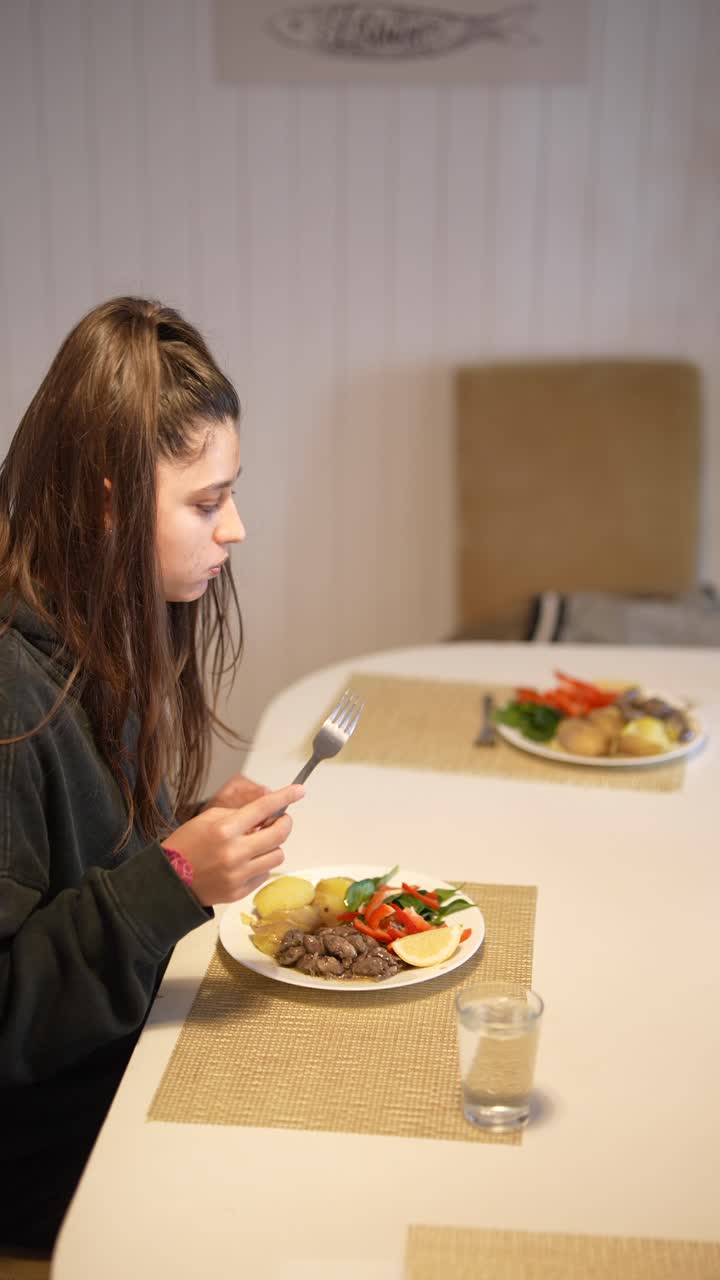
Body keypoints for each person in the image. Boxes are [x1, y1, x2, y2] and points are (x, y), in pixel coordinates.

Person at [0, 297, 304, 1251]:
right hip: (49, 1161)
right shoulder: (9, 701)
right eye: (207, 503)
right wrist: (168, 881)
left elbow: (76, 865)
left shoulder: (91, 635)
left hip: (111, 1078)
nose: (236, 530)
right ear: (107, 502)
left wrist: (182, 830)